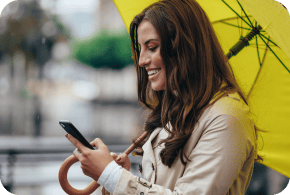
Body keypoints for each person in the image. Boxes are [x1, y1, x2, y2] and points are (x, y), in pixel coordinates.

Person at [66, 0, 261, 194]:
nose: (142, 61)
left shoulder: (227, 118)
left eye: (152, 48)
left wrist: (112, 175)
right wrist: (122, 177)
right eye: (141, 49)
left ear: (184, 47)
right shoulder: (176, 110)